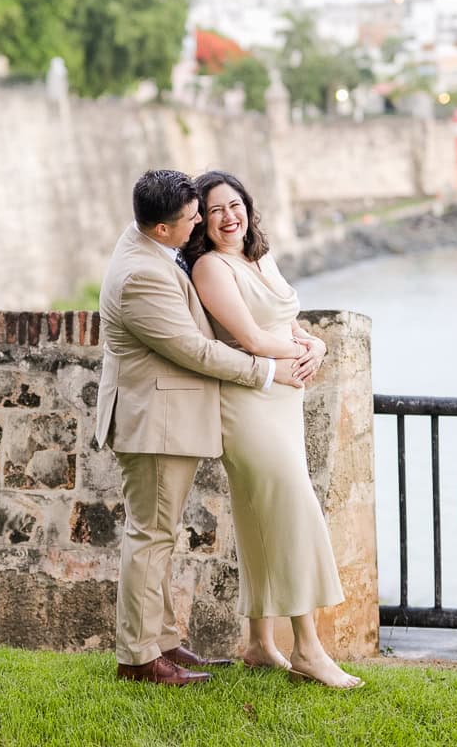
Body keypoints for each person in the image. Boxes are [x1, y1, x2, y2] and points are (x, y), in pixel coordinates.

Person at [96, 169, 309, 686]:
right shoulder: (141, 274)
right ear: (162, 228)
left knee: (160, 535)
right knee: (150, 536)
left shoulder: (150, 243)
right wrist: (265, 370)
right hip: (155, 421)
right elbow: (192, 349)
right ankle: (139, 659)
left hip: (164, 417)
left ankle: (163, 641)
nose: (200, 226)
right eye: (193, 219)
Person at [183, 169, 364, 689]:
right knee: (292, 510)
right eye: (214, 210)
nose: (228, 216)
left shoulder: (259, 255)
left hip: (284, 400)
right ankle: (307, 648)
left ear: (247, 205)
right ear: (202, 220)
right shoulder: (210, 268)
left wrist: (318, 344)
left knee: (260, 517)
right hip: (248, 402)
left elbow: (287, 321)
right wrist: (305, 349)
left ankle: (260, 644)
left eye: (233, 204)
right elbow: (253, 339)